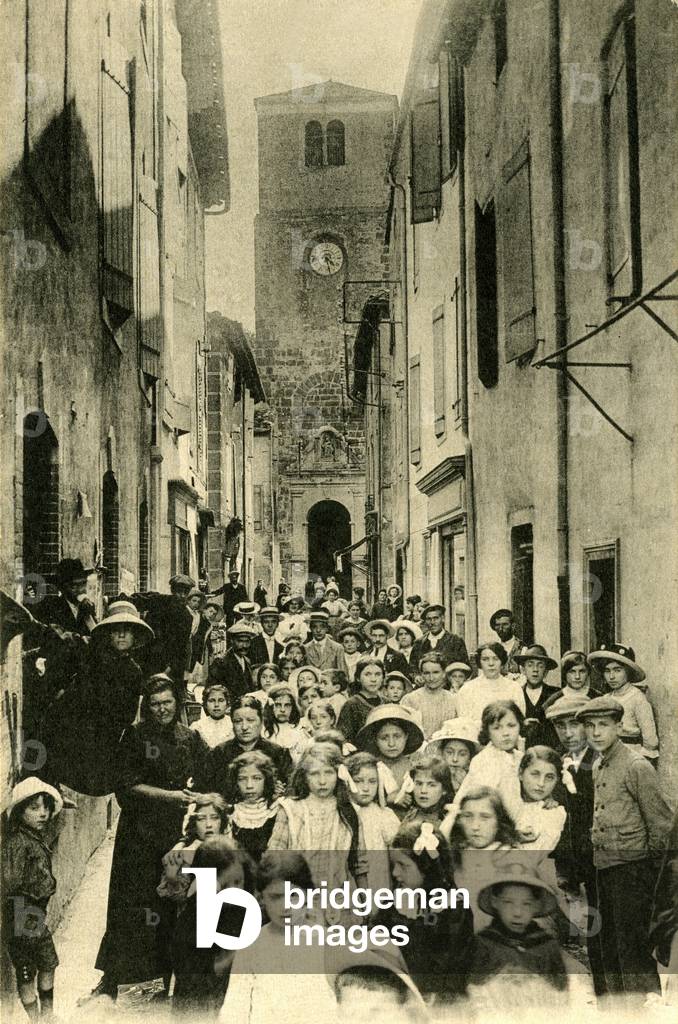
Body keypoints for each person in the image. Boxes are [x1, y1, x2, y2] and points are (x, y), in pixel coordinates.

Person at [92, 675, 209, 999]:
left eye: (168, 703)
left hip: (173, 833)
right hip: (138, 834)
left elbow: (209, 770)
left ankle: (165, 979)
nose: (162, 709)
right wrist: (171, 796)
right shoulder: (134, 735)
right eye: (155, 704)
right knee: (131, 904)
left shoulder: (190, 737)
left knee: (170, 901)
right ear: (147, 705)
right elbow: (126, 786)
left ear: (178, 703)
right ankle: (115, 979)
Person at [575, 695, 672, 1006]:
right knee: (611, 945)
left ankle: (645, 1008)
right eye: (590, 726)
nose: (596, 732)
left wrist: (652, 881)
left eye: (604, 725)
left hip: (632, 871)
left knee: (633, 948)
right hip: (605, 867)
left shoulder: (636, 766)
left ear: (619, 726)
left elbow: (660, 826)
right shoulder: (598, 764)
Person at [38, 599, 153, 795]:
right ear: (108, 634)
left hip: (102, 744)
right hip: (70, 733)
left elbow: (125, 718)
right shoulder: (91, 653)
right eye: (116, 630)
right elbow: (63, 642)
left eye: (128, 630)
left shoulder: (134, 672)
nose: (122, 635)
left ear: (135, 636)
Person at [220, 852, 336, 1024]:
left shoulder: (326, 942)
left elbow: (340, 1006)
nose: (285, 906)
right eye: (275, 897)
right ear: (262, 897)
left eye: (294, 896)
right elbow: (235, 1007)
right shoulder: (251, 945)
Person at [376, 822, 473, 1002]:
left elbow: (452, 968)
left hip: (439, 999)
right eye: (393, 865)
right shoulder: (393, 903)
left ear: (426, 867)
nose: (395, 873)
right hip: (397, 992)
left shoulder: (454, 909)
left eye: (403, 866)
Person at [172, 839, 256, 1017]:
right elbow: (206, 972)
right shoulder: (193, 918)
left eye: (238, 882)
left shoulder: (242, 908)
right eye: (225, 886)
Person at [3, 778, 63, 1022]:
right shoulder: (17, 843)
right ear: (20, 812)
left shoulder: (34, 838)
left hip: (35, 913)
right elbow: (10, 881)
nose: (43, 813)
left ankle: (47, 1017)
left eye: (46, 807)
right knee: (27, 970)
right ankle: (37, 1020)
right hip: (22, 912)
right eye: (34, 808)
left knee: (48, 962)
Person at [268, 742, 366, 888]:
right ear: (304, 776)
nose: (322, 781)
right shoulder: (290, 809)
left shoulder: (349, 811)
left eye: (328, 773)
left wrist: (367, 902)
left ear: (339, 774)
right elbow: (275, 855)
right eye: (314, 774)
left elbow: (359, 863)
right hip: (298, 895)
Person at [468, 862, 567, 1005]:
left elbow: (560, 993)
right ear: (495, 902)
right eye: (508, 902)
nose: (517, 913)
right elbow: (472, 992)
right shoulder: (484, 944)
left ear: (537, 906)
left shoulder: (546, 946)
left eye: (526, 904)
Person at [442, 700, 525, 830]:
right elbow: (482, 804)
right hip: (484, 824)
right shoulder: (485, 760)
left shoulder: (519, 757)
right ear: (488, 732)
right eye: (497, 728)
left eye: (511, 725)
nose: (506, 733)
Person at [204, 695, 293, 794]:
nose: (244, 727)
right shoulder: (218, 754)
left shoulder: (278, 753)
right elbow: (207, 792)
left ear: (261, 722)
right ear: (232, 723)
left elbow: (291, 789)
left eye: (250, 720)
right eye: (238, 721)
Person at [587, 643, 659, 759]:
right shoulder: (606, 699)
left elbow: (651, 742)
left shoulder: (637, 698)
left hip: (629, 756)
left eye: (617, 670)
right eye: (607, 671)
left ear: (628, 671)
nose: (611, 676)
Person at [156, 793, 228, 904]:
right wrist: (172, 879)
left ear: (222, 821)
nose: (208, 824)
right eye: (201, 819)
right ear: (194, 823)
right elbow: (178, 901)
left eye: (214, 818)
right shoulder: (185, 854)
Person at [345, 752, 400, 892]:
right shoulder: (344, 813)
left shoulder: (383, 814)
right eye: (358, 780)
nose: (365, 788)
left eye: (372, 781)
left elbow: (398, 847)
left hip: (378, 879)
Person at [139, 574, 195, 687]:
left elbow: (181, 647)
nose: (182, 596)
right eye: (179, 592)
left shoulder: (187, 617)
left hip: (171, 663)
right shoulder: (159, 601)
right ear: (173, 591)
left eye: (186, 592)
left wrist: (168, 670)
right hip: (149, 657)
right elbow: (137, 600)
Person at [224, 750, 280, 860]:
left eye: (256, 778)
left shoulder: (276, 812)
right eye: (242, 779)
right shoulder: (230, 814)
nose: (249, 785)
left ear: (266, 780)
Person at [456, 642, 526, 728]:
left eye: (495, 659)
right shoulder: (467, 689)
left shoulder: (514, 688)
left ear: (502, 661)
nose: (491, 663)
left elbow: (519, 721)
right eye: (485, 659)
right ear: (479, 662)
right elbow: (464, 724)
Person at [356, 704, 425, 791]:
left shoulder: (415, 767)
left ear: (406, 736)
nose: (391, 744)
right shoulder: (369, 768)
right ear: (375, 739)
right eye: (384, 738)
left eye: (397, 736)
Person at [401, 653, 458, 739]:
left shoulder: (454, 699)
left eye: (436, 672)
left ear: (444, 673)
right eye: (427, 673)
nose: (431, 678)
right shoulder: (410, 699)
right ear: (422, 674)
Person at [514, 644, 559, 748]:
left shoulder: (555, 695)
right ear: (523, 670)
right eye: (530, 665)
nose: (535, 670)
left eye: (540, 665)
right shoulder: (516, 694)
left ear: (546, 672)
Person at [399, 753, 455, 828]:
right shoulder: (410, 815)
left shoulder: (450, 819)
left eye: (431, 785)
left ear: (444, 789)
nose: (423, 790)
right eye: (419, 784)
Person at [337, 657, 385, 743]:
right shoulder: (351, 704)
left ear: (383, 678)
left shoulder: (387, 703)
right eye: (367, 674)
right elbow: (343, 738)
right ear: (358, 678)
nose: (373, 679)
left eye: (378, 674)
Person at [426, 718, 479, 796]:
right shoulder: (432, 775)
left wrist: (464, 785)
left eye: (462, 754)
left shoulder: (475, 779)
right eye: (449, 752)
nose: (455, 759)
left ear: (470, 758)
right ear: (441, 753)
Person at [263, 684, 312, 764]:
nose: (282, 710)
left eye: (287, 705)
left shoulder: (300, 729)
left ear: (293, 707)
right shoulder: (263, 729)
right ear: (271, 706)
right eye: (278, 705)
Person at [208, 621, 256, 701]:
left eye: (247, 641)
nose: (244, 645)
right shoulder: (221, 662)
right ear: (232, 641)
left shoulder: (247, 661)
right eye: (240, 641)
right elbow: (210, 691)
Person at [190, 683, 234, 748]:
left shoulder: (233, 724)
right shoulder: (198, 727)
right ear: (205, 704)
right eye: (212, 701)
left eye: (221, 700)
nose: (216, 705)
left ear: (227, 703)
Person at [489, 609, 527, 675]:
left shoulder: (522, 649)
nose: (501, 629)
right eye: (498, 625)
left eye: (505, 624)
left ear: (513, 626)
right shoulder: (493, 649)